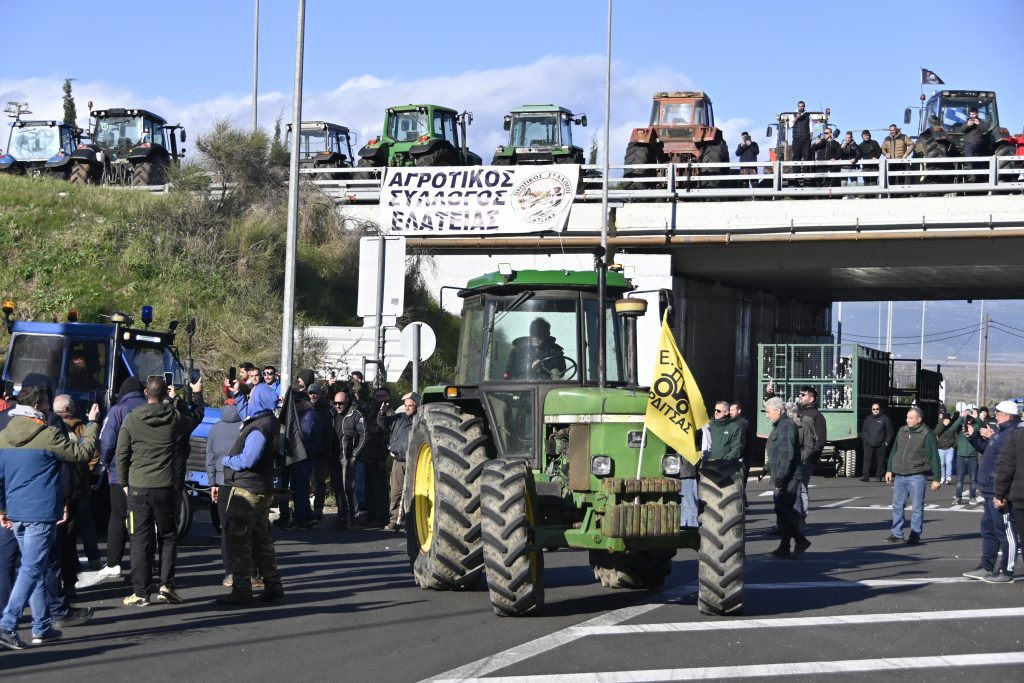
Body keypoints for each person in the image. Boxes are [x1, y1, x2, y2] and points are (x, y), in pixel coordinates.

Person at [0, 386, 100, 650]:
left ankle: (41, 626)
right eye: (45, 404)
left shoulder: (3, 437)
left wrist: (3, 510)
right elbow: (80, 454)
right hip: (41, 511)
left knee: (34, 568)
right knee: (32, 569)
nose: (47, 408)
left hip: (16, 512)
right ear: (36, 406)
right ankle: (7, 624)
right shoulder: (48, 435)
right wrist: (92, 425)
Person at [115, 375, 204, 606]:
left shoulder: (132, 419)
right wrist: (192, 396)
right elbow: (195, 418)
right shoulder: (174, 417)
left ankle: (141, 592)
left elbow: (121, 454)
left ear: (146, 393)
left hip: (138, 487)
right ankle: (166, 584)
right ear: (165, 393)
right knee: (168, 535)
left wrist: (123, 482)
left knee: (140, 539)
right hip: (165, 486)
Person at [215, 383, 284, 606]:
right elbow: (246, 410)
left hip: (248, 490)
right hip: (262, 488)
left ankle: (241, 590)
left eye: (252, 395)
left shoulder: (259, 428)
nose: (250, 397)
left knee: (239, 542)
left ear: (260, 401)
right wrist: (238, 392)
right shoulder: (269, 422)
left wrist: (227, 461)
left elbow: (248, 459)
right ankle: (273, 585)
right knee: (261, 540)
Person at [963, 400, 1019, 583]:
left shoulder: (1012, 435)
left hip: (999, 490)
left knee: (1005, 532)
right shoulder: (999, 433)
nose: (996, 415)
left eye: (999, 413)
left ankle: (1007, 570)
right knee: (988, 530)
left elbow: (1010, 466)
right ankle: (986, 566)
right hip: (988, 489)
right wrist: (973, 437)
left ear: (1008, 416)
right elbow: (987, 450)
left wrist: (1001, 494)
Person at [96, 377, 147, 579]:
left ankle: (113, 563)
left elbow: (106, 442)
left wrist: (109, 464)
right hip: (148, 472)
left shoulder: (118, 409)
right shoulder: (152, 407)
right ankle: (145, 563)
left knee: (118, 516)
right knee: (144, 520)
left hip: (121, 472)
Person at [52, 395, 101, 593]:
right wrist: (84, 471)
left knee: (61, 536)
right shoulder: (81, 427)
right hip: (77, 487)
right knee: (81, 526)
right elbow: (91, 453)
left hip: (60, 490)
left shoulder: (48, 429)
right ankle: (92, 560)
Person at [885, 407, 942, 545]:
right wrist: (889, 469)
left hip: (917, 475)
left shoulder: (927, 434)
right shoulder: (902, 430)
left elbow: (934, 456)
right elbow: (895, 449)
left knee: (917, 507)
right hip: (900, 475)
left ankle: (915, 535)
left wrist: (936, 478)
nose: (907, 420)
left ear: (919, 419)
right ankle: (897, 534)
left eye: (910, 418)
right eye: (907, 417)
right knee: (897, 505)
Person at [762, 397, 810, 559]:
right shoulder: (779, 426)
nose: (766, 415)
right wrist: (766, 468)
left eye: (768, 412)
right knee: (783, 511)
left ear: (778, 410)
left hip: (789, 476)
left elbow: (787, 454)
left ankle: (798, 540)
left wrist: (781, 477)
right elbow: (776, 452)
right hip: (782, 474)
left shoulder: (786, 425)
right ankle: (786, 546)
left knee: (783, 510)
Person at [206, 403, 244, 587]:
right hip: (241, 482)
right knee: (244, 528)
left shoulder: (215, 428)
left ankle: (229, 573)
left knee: (226, 529)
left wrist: (213, 482)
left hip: (222, 483)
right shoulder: (244, 426)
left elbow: (210, 457)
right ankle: (249, 572)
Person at [280, 369, 320, 531]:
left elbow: (303, 435)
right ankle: (307, 517)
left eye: (296, 402)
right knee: (300, 487)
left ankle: (300, 519)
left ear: (303, 402)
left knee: (300, 488)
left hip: (304, 457)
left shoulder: (308, 415)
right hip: (303, 456)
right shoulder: (307, 413)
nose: (294, 406)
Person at [381, 392, 418, 531]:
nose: (407, 408)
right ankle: (394, 521)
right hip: (398, 460)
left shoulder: (421, 420)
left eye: (410, 406)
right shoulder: (399, 418)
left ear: (416, 406)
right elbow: (383, 424)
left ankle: (411, 522)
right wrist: (382, 414)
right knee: (396, 492)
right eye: (406, 406)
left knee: (412, 492)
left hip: (414, 461)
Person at [331, 390, 366, 530]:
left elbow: (364, 435)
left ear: (347, 402)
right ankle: (342, 516)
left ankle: (354, 518)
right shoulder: (331, 414)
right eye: (335, 403)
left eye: (341, 403)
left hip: (347, 457)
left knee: (349, 489)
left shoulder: (356, 414)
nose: (338, 406)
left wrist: (355, 455)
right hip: (333, 457)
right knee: (338, 488)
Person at [359, 387, 393, 525]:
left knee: (380, 489)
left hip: (380, 454)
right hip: (368, 453)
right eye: (377, 395)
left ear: (388, 397)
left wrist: (382, 414)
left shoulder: (390, 412)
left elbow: (384, 430)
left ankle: (382, 517)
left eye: (383, 396)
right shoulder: (371, 409)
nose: (380, 398)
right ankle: (371, 515)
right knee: (369, 489)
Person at [795, 386, 826, 529]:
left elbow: (820, 441)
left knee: (801, 488)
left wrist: (812, 459)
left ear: (811, 398)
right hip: (793, 456)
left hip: (806, 458)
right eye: (799, 394)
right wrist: (770, 394)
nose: (799, 396)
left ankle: (801, 519)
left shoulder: (817, 416)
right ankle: (786, 520)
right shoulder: (796, 412)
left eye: (803, 394)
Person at [309, 384, 336, 524]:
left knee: (319, 483)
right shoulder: (305, 408)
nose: (313, 395)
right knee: (307, 483)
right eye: (311, 393)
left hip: (321, 452)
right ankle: (305, 510)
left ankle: (318, 510)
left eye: (315, 393)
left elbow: (330, 433)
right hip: (307, 452)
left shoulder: (327, 411)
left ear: (320, 394)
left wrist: (327, 450)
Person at [949, 410, 981, 505]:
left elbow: (982, 427)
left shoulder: (975, 425)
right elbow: (952, 428)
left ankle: (972, 497)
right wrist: (961, 418)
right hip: (961, 456)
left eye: (968, 415)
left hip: (973, 456)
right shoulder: (960, 426)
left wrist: (976, 418)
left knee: (973, 479)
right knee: (959, 479)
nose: (967, 417)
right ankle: (958, 497)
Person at [859, 403, 894, 482]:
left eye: (877, 409)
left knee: (880, 461)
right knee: (867, 460)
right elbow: (864, 431)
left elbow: (890, 432)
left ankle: (879, 476)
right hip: (868, 444)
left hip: (881, 444)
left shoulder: (885, 418)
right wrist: (865, 440)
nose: (875, 411)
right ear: (871, 410)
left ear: (880, 409)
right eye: (873, 409)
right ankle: (865, 476)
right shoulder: (868, 419)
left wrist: (886, 442)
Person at [730, 402, 753, 508]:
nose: (730, 413)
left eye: (733, 410)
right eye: (729, 410)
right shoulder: (733, 423)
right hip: (742, 457)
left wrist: (736, 456)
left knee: (739, 482)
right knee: (740, 483)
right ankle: (743, 503)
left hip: (742, 458)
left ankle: (741, 505)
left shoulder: (741, 423)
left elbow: (741, 443)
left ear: (739, 411)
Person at [933, 410, 958, 484]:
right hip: (940, 447)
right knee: (941, 463)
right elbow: (936, 432)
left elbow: (956, 436)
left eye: (948, 419)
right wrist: (943, 425)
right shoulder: (940, 424)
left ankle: (948, 477)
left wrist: (954, 446)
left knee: (949, 462)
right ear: (943, 419)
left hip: (950, 447)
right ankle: (942, 477)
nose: (947, 421)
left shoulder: (953, 426)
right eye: (946, 419)